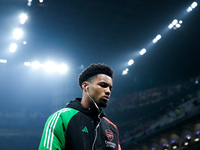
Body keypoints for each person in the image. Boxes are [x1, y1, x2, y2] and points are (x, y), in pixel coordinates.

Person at [39, 63, 121, 150]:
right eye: (103, 85)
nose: (108, 91)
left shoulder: (112, 127)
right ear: (85, 86)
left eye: (110, 88)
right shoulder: (61, 118)